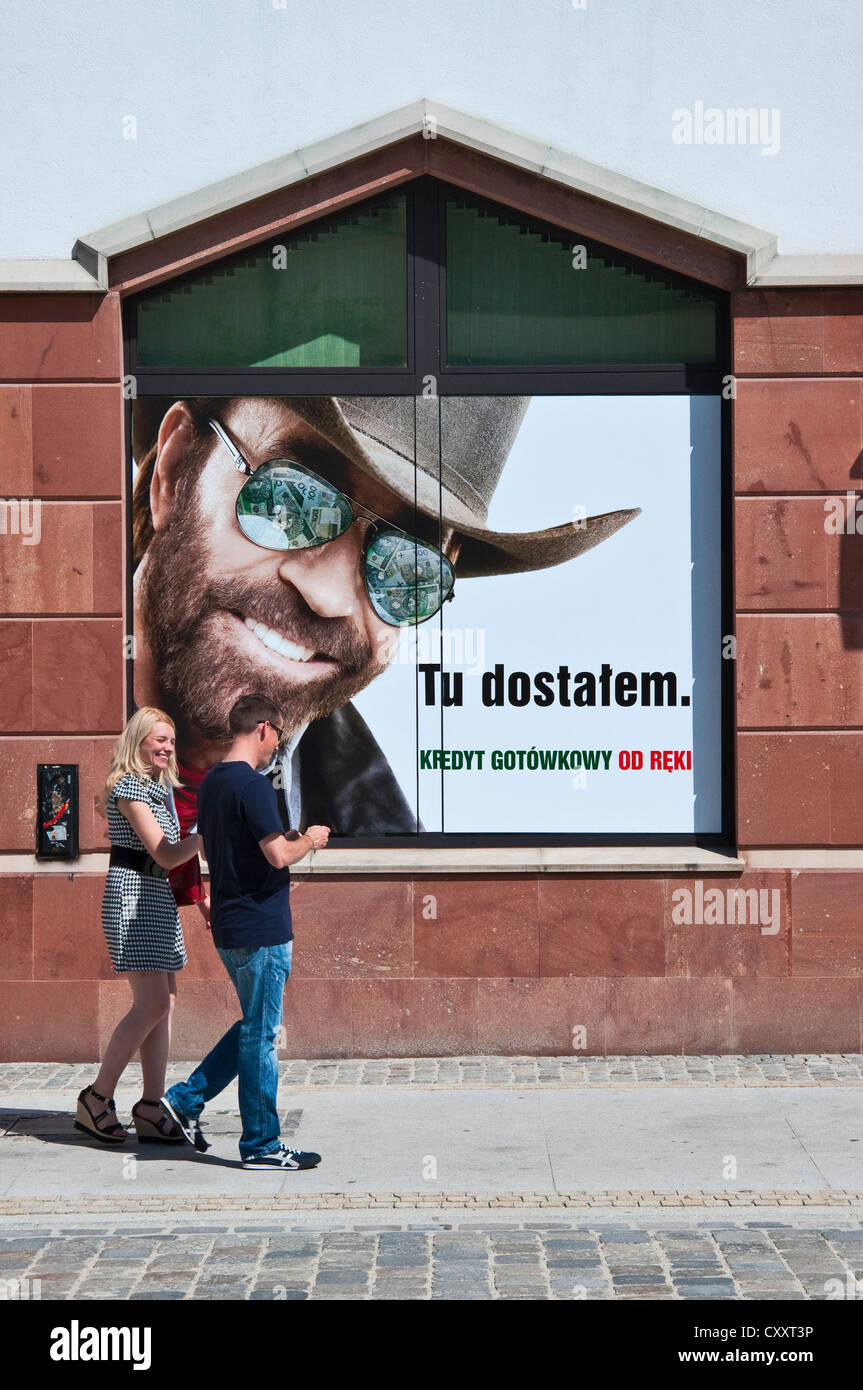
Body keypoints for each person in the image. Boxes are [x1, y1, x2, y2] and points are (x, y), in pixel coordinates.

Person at [130, 394, 640, 873]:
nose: (329, 597)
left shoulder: (380, 858)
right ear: (175, 476)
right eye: (291, 500)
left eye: (406, 566)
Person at [160, 693, 330, 1169]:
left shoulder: (213, 783)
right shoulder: (253, 786)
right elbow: (277, 856)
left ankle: (185, 1101)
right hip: (261, 925)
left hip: (232, 924)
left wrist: (287, 843)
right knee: (262, 1035)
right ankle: (261, 1144)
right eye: (278, 733)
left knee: (255, 1026)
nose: (278, 742)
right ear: (262, 729)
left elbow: (228, 848)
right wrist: (311, 841)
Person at [75, 708, 203, 1144]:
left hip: (155, 897)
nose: (167, 747)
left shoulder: (155, 788)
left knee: (164, 1003)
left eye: (171, 740)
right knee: (150, 1004)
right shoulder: (130, 787)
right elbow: (167, 854)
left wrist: (201, 900)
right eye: (158, 740)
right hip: (133, 898)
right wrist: (207, 838)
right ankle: (96, 1098)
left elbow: (170, 862)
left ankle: (151, 1106)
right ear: (139, 742)